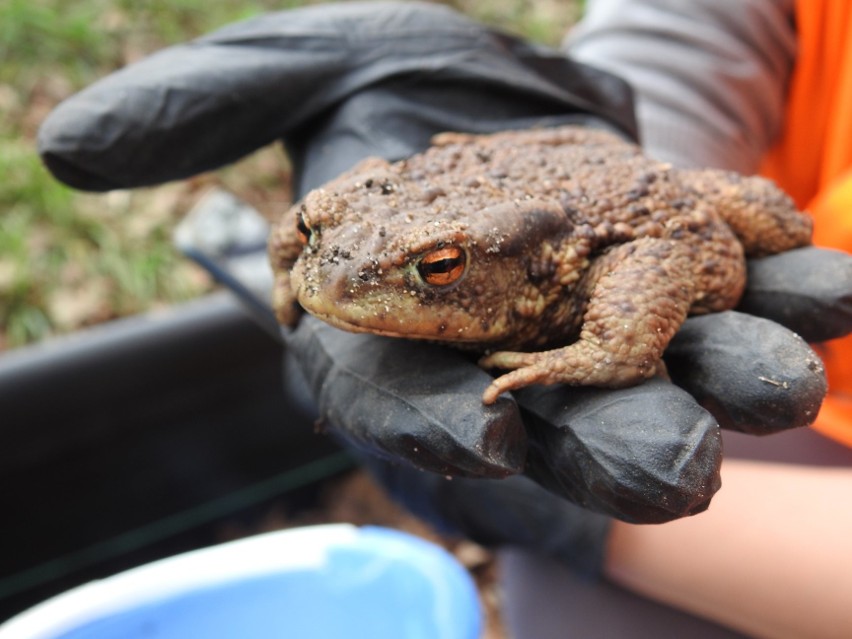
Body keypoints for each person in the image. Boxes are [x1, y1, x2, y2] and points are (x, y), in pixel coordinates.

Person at [35, 1, 852, 636]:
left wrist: (605, 350)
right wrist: (300, 260)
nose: (336, 279)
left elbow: (654, 258)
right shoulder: (363, 236)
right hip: (533, 179)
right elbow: (700, 28)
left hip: (642, 224)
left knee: (775, 226)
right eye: (318, 241)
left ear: (484, 270)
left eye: (435, 272)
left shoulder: (564, 272)